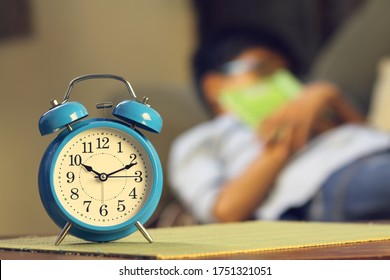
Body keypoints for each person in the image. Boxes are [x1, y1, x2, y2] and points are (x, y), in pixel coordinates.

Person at [167, 26, 390, 224]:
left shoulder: (315, 110)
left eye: (287, 73)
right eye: (262, 69)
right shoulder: (203, 139)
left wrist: (330, 97)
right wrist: (282, 144)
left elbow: (369, 138)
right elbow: (223, 211)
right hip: (326, 182)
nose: (281, 81)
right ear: (214, 86)